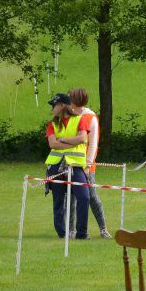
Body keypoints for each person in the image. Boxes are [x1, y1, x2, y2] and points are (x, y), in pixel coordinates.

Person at [44, 93, 90, 239]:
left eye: (54, 105)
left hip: (75, 166)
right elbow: (52, 144)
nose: (52, 108)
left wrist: (62, 140)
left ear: (62, 105)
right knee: (58, 201)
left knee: (84, 197)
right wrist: (73, 141)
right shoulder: (52, 124)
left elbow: (82, 138)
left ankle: (81, 233)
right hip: (56, 166)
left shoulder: (79, 120)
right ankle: (62, 234)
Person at [67, 88, 111, 238]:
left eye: (70, 98)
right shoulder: (69, 115)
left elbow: (93, 144)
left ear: (76, 100)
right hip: (70, 163)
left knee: (91, 196)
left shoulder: (90, 117)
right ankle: (71, 230)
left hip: (86, 165)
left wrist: (87, 164)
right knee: (70, 197)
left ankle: (103, 229)